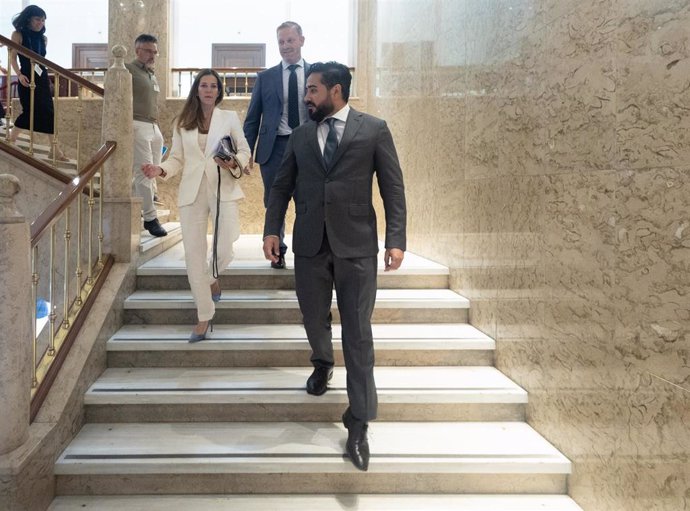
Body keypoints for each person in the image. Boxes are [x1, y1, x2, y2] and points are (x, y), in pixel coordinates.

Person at [262, 62, 407, 471]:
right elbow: (282, 185)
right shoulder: (302, 135)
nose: (306, 97)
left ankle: (359, 422)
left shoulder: (374, 129)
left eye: (312, 90)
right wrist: (272, 229)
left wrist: (396, 239)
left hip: (357, 246)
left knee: (359, 334)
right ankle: (322, 362)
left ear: (336, 91)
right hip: (309, 243)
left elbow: (392, 186)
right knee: (312, 315)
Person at [143, 69, 250, 342]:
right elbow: (177, 158)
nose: (209, 90)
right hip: (191, 193)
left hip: (221, 187)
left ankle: (212, 275)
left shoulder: (229, 118)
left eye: (214, 86)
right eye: (204, 85)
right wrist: (161, 169)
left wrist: (233, 162)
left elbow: (245, 151)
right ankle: (204, 314)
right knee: (193, 255)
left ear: (219, 91)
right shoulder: (182, 121)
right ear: (197, 89)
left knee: (225, 246)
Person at [244, 21, 309, 269]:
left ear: (302, 40)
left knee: (307, 202)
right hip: (274, 149)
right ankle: (277, 250)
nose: (285, 46)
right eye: (281, 41)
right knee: (274, 201)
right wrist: (245, 151)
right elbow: (252, 118)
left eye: (290, 40)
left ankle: (306, 250)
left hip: (307, 148)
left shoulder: (316, 73)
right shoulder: (266, 77)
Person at [8, 5, 67, 160]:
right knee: (29, 110)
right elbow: (13, 57)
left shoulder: (43, 38)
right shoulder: (18, 34)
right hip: (26, 77)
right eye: (37, 19)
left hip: (41, 79)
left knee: (49, 112)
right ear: (29, 19)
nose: (40, 22)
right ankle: (12, 139)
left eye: (43, 20)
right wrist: (19, 74)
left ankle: (55, 149)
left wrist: (47, 80)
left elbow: (41, 63)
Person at [125, 34, 167, 237]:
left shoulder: (151, 74)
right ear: (137, 50)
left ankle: (133, 206)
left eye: (155, 52)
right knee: (144, 171)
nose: (153, 55)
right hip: (136, 124)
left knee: (153, 172)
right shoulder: (127, 70)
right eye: (149, 51)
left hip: (153, 126)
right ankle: (150, 219)